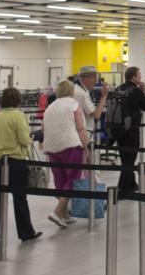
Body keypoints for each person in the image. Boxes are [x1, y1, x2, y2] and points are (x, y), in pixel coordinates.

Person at [0, 88, 41, 248]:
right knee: (20, 198)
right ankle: (26, 232)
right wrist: (30, 139)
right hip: (14, 161)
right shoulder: (18, 115)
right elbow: (24, 139)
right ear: (18, 100)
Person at [43, 79, 90, 227]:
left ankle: (64, 214)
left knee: (60, 180)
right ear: (71, 91)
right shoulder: (74, 105)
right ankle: (57, 212)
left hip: (51, 147)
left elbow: (44, 128)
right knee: (74, 179)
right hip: (71, 145)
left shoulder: (49, 107)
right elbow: (81, 128)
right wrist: (87, 147)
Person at [115, 66, 145, 192]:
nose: (141, 77)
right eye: (139, 75)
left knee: (125, 158)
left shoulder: (118, 89)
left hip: (118, 129)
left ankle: (131, 184)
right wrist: (143, 91)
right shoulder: (136, 91)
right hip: (131, 130)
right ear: (133, 77)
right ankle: (121, 187)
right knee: (129, 160)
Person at [74, 67, 109, 134]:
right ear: (86, 78)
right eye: (94, 78)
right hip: (82, 131)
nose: (96, 81)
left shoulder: (78, 89)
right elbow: (96, 115)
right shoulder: (81, 93)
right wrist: (104, 97)